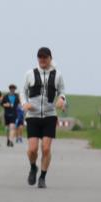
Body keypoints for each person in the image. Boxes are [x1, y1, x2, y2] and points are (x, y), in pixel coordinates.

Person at [21, 47, 66, 189]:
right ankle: (33, 167)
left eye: (45, 58)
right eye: (40, 57)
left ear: (50, 58)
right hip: (33, 116)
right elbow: (22, 91)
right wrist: (24, 103)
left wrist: (62, 99)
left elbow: (62, 91)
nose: (42, 60)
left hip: (49, 115)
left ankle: (42, 177)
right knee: (32, 150)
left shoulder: (57, 75)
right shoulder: (30, 73)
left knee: (46, 149)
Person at [2, 83, 21, 147]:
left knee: (12, 127)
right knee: (7, 128)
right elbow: (2, 104)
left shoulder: (17, 96)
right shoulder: (5, 96)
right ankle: (8, 139)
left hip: (14, 114)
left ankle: (11, 141)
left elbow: (19, 104)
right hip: (7, 114)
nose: (12, 89)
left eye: (14, 88)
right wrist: (6, 105)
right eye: (11, 88)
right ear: (9, 89)